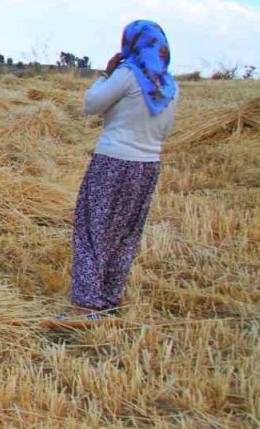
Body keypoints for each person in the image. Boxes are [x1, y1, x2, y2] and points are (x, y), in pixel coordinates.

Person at [69, 20, 179, 318]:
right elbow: (165, 130)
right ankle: (109, 295)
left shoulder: (128, 74)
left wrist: (106, 73)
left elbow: (92, 104)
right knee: (125, 233)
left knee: (92, 230)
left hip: (113, 161)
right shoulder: (169, 86)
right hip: (147, 166)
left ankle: (87, 303)